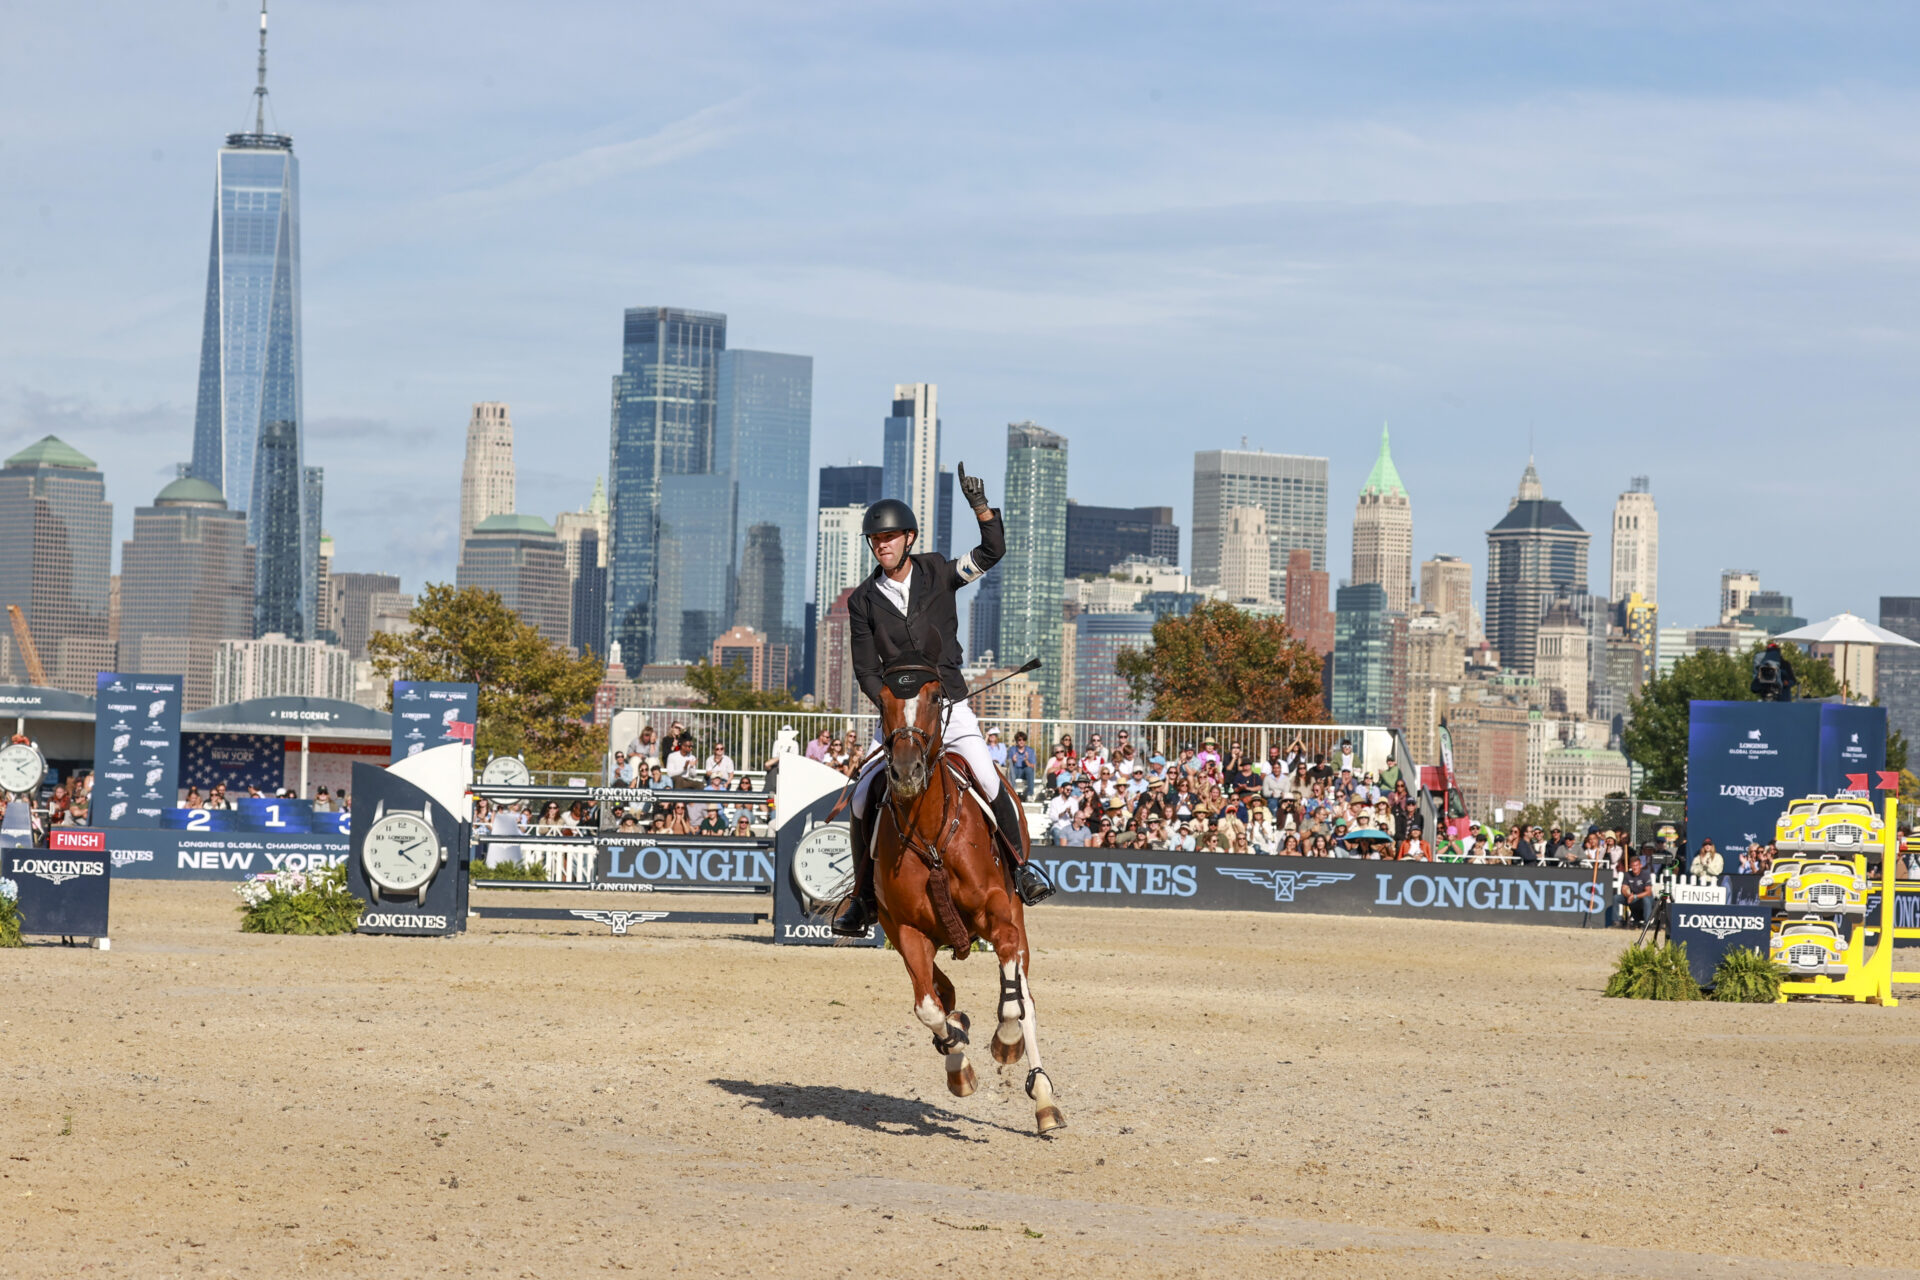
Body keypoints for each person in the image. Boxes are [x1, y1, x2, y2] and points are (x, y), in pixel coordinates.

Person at [831, 468, 1052, 937]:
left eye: (889, 537)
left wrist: (981, 509)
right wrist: (891, 707)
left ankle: (1021, 872)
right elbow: (866, 669)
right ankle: (864, 897)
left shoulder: (939, 572)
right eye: (875, 540)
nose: (881, 546)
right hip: (897, 717)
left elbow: (993, 552)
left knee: (989, 779)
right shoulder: (863, 600)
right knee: (862, 796)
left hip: (947, 705)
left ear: (909, 538)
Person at [1621, 853, 1656, 926]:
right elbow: (1624, 888)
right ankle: (1617, 921)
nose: (1635, 868)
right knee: (1616, 898)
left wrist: (1635, 896)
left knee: (1646, 899)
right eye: (1633, 866)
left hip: (1645, 898)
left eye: (1636, 865)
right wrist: (1628, 895)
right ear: (1630, 866)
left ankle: (1647, 923)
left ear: (1640, 865)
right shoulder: (1627, 874)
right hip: (1632, 897)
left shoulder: (1645, 874)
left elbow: (1648, 892)